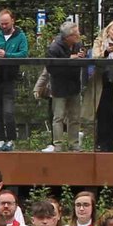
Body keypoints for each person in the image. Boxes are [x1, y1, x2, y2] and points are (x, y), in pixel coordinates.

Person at [0, 9, 28, 151]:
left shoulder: (20, 37)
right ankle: (0, 139)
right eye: (1, 23)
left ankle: (11, 139)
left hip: (9, 78)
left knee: (8, 112)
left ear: (12, 21)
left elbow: (23, 54)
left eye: (6, 23)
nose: (3, 26)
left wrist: (6, 55)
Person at [87, 20, 113, 152]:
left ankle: (111, 143)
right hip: (102, 83)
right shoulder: (99, 42)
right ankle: (101, 143)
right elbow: (95, 58)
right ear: (108, 31)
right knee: (102, 114)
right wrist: (105, 53)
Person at [43, 21, 86, 152]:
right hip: (59, 87)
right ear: (68, 36)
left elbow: (81, 62)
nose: (79, 35)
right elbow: (52, 68)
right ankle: (58, 145)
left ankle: (74, 144)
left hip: (74, 85)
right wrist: (69, 59)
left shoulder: (78, 44)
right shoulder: (54, 48)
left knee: (75, 117)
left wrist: (81, 58)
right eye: (76, 33)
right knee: (59, 117)